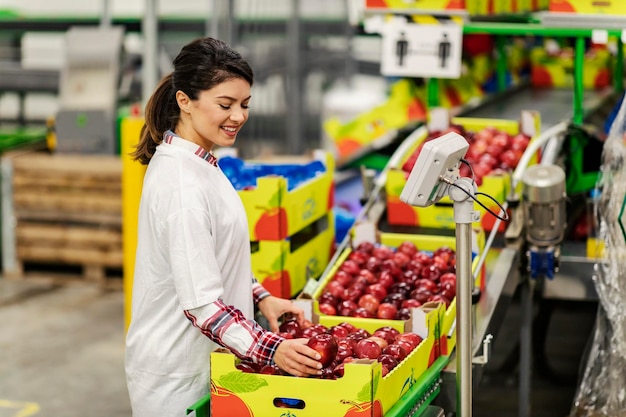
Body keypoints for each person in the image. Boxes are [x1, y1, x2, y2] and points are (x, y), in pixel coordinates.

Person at [125, 37, 323, 417]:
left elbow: (207, 256)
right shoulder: (181, 186)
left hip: (211, 361)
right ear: (184, 101)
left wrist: (261, 297)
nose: (239, 116)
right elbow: (201, 304)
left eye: (245, 105)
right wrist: (272, 349)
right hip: (177, 376)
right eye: (225, 105)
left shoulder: (201, 162)